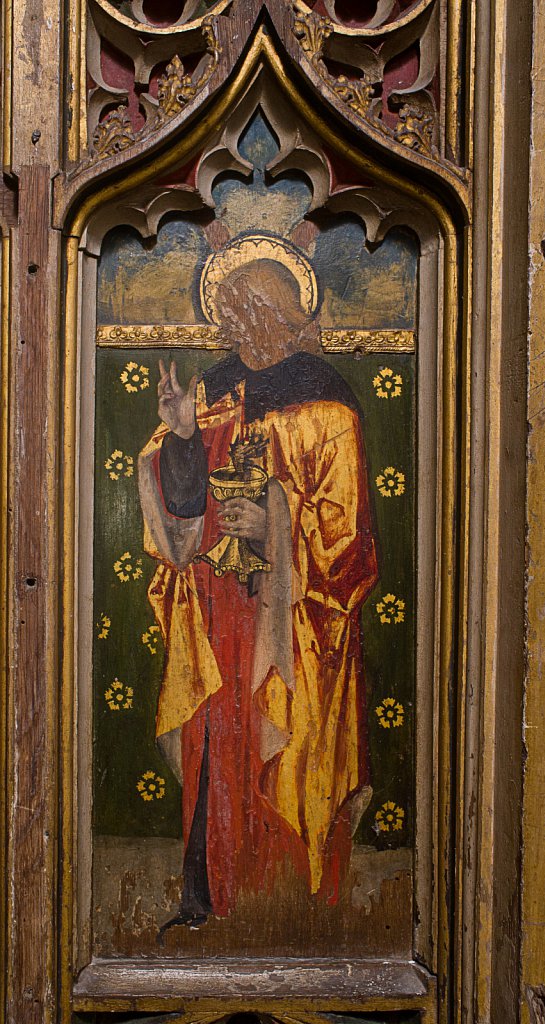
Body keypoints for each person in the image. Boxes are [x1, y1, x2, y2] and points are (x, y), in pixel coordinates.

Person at [138, 257, 378, 933]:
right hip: (219, 611)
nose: (231, 327)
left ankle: (292, 910)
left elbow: (347, 539)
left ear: (276, 314)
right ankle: (211, 897)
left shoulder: (326, 400)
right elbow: (180, 505)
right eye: (226, 314)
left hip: (293, 621)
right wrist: (183, 438)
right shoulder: (214, 390)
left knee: (288, 755)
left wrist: (275, 522)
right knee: (217, 747)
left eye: (243, 313)